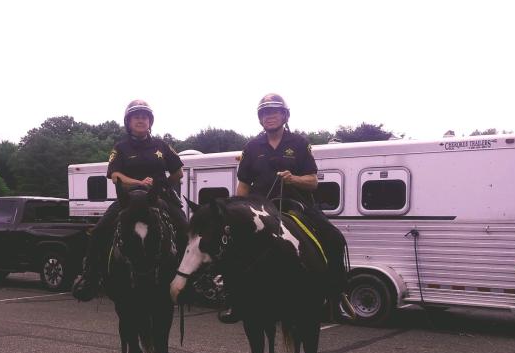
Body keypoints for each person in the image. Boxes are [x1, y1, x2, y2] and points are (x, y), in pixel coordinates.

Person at [218, 93, 355, 323]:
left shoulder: (299, 143)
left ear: (284, 115)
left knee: (334, 237)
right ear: (260, 118)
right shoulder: (251, 147)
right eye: (265, 113)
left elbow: (313, 182)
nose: (269, 116)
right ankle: (233, 298)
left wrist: (293, 179)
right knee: (232, 243)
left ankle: (336, 292)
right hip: (261, 209)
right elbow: (243, 185)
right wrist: (237, 212)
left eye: (274, 112)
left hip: (296, 206)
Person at [71, 99, 188, 301]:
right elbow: (115, 176)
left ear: (150, 121)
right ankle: (89, 277)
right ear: (129, 122)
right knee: (99, 230)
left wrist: (163, 185)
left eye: (144, 117)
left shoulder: (162, 145)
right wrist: (139, 183)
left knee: (187, 229)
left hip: (160, 198)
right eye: (136, 117)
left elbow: (178, 172)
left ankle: (192, 280)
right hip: (129, 199)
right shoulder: (121, 147)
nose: (141, 120)